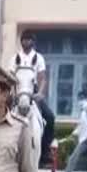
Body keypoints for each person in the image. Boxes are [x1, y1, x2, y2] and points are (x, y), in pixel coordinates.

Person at [9, 30, 55, 165]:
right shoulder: (15, 58)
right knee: (0, 114)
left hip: (32, 91)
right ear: (21, 41)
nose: (26, 42)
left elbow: (42, 78)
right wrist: (12, 92)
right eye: (24, 39)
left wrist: (40, 93)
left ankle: (45, 152)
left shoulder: (38, 58)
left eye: (29, 39)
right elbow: (10, 76)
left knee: (50, 117)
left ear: (33, 42)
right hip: (17, 91)